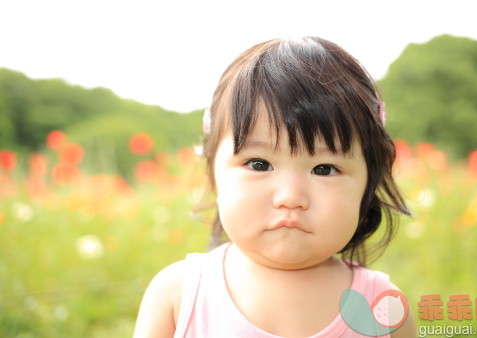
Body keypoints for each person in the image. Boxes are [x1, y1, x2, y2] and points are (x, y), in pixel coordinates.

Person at [134, 36, 417, 337]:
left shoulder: (382, 307)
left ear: (370, 180)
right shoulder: (180, 294)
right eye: (259, 164)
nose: (290, 198)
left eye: (324, 169)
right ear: (212, 171)